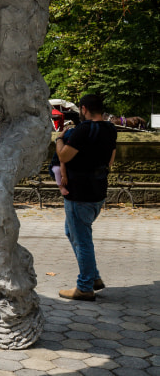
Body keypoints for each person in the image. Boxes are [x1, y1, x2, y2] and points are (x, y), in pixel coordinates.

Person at [55, 93, 117, 301]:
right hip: (98, 191)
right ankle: (94, 278)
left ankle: (85, 287)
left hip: (79, 193)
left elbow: (63, 156)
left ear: (83, 109)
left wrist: (58, 140)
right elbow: (110, 160)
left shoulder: (82, 130)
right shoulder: (110, 129)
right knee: (72, 232)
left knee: (82, 240)